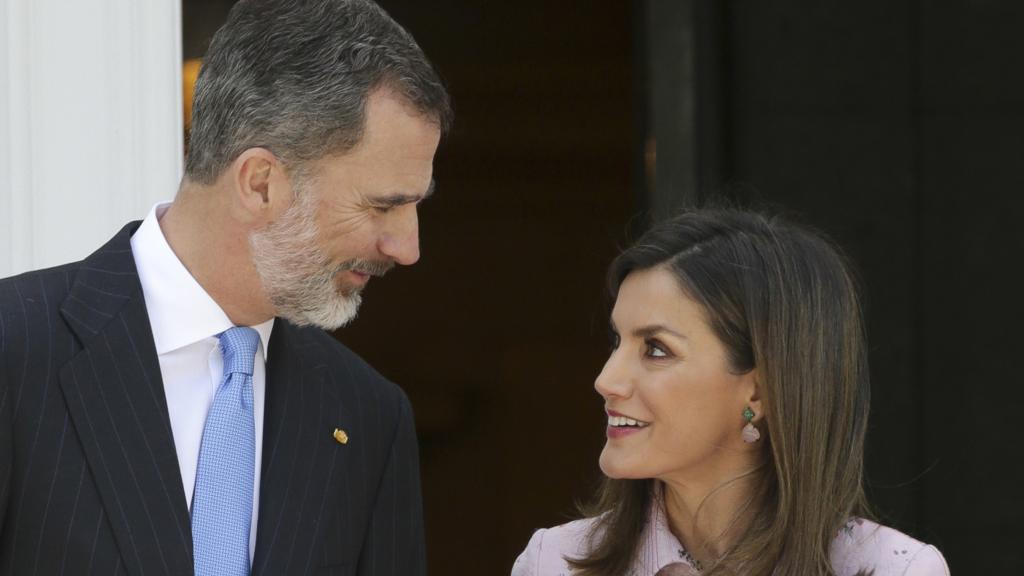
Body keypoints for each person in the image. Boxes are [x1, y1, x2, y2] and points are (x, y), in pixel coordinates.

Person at [0, 0, 450, 574]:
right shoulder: (13, 351)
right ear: (260, 183)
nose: (407, 249)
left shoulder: (368, 416)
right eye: (383, 205)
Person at [511, 208, 949, 576]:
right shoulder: (555, 563)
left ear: (760, 392)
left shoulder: (895, 569)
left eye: (656, 349)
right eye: (616, 341)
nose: (606, 379)